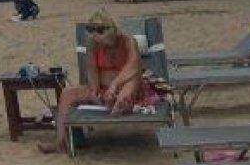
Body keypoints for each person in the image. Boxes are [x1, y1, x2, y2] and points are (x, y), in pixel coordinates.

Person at [39, 10, 160, 154]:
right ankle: (60, 141)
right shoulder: (92, 43)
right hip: (104, 89)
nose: (96, 35)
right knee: (67, 94)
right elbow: (91, 69)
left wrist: (115, 86)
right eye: (92, 30)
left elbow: (134, 66)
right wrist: (94, 89)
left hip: (128, 86)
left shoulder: (128, 41)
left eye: (100, 30)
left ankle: (120, 104)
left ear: (112, 29)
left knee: (131, 82)